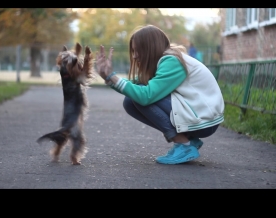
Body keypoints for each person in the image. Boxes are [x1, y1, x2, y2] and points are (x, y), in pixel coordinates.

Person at [95, 25, 225, 165]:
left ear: (150, 48)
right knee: (131, 100)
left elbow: (144, 96)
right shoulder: (164, 61)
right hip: (197, 114)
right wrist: (108, 78)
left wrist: (112, 77)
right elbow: (133, 87)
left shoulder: (172, 61)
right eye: (133, 51)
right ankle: (187, 140)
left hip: (203, 120)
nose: (134, 56)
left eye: (138, 50)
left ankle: (184, 144)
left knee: (140, 97)